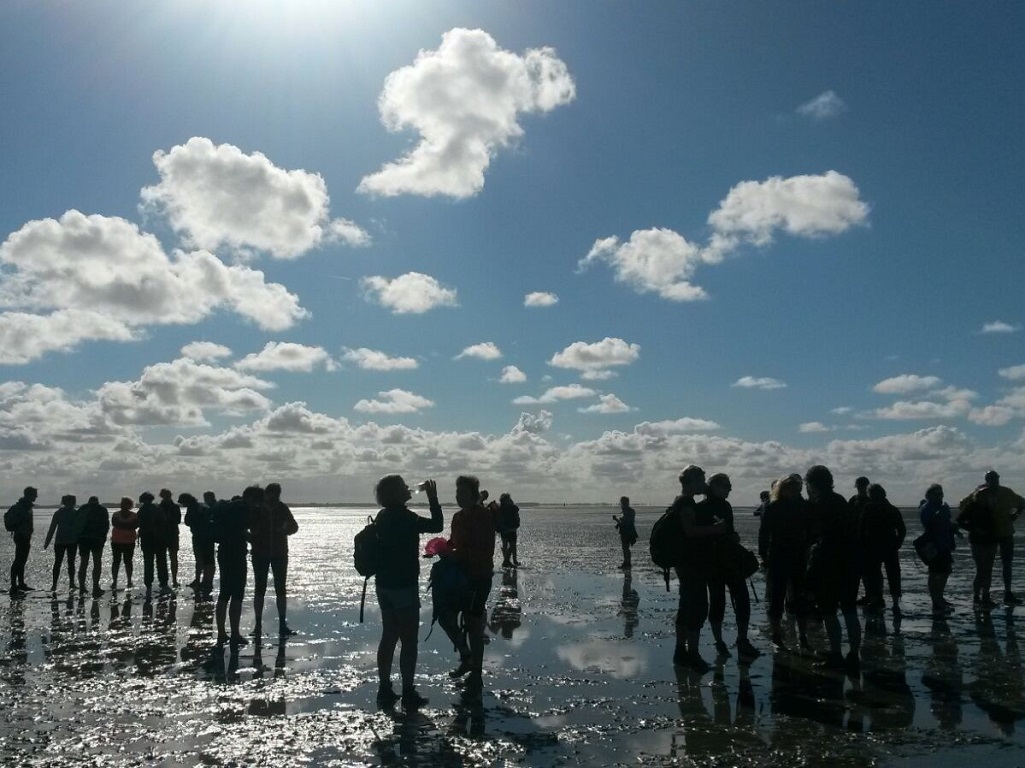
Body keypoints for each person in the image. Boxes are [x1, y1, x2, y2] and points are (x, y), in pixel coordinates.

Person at [372, 475, 443, 709]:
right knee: (409, 640)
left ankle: (384, 688)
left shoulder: (382, 517)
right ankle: (408, 692)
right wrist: (433, 499)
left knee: (389, 635)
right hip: (403, 585)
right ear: (396, 493)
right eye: (403, 486)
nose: (408, 488)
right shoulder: (407, 517)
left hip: (383, 585)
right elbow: (437, 526)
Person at [439, 474, 496, 691]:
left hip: (479, 576)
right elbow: (454, 542)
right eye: (457, 493)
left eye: (463, 493)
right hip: (459, 576)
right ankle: (466, 655)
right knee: (445, 617)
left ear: (473, 495)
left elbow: (483, 549)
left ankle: (476, 672)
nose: (459, 497)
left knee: (473, 624)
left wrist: (456, 554)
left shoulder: (484, 516)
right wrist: (443, 549)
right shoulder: (457, 517)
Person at [804, 465, 862, 671]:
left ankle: (836, 654)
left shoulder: (818, 503)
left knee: (829, 611)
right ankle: (854, 655)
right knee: (849, 610)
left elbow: (813, 534)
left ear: (810, 484)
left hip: (829, 561)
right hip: (852, 560)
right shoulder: (840, 500)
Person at [701, 473, 760, 661]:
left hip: (724, 561)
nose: (730, 489)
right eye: (726, 486)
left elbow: (728, 531)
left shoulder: (723, 506)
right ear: (715, 486)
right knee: (724, 601)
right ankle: (724, 642)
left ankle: (735, 640)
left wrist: (731, 536)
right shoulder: (703, 508)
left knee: (738, 598)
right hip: (715, 562)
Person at [672, 464, 722, 673]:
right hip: (691, 564)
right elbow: (690, 532)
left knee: (686, 607)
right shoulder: (686, 504)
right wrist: (716, 529)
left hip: (684, 563)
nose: (704, 483)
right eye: (701, 480)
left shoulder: (682, 502)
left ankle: (681, 652)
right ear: (691, 482)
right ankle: (692, 654)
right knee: (697, 608)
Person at [758, 474, 811, 652]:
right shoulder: (773, 507)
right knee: (777, 597)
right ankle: (776, 634)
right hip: (778, 556)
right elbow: (764, 533)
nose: (797, 491)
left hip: (797, 556)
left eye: (798, 488)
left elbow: (810, 531)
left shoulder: (802, 506)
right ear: (784, 489)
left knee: (799, 597)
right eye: (793, 488)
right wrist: (763, 555)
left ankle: (803, 635)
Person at [959, 471, 1025, 605]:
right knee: (985, 568)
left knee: (1007, 564)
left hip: (1005, 532)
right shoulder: (980, 493)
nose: (994, 481)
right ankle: (981, 595)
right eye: (990, 479)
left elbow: (1022, 502)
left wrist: (1015, 515)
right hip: (989, 535)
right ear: (987, 480)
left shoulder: (1006, 492)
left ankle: (1007, 592)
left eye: (995, 478)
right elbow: (963, 506)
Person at [250, 482, 300, 638]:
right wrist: (255, 536)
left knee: (281, 589)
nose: (273, 496)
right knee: (260, 588)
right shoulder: (258, 509)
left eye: (276, 494)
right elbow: (249, 525)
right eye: (271, 493)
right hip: (260, 553)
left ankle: (282, 624)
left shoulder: (282, 508)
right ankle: (258, 625)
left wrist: (284, 530)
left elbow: (294, 527)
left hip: (279, 554)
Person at [215, 486, 260, 647]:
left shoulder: (229, 507)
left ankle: (221, 633)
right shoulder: (242, 509)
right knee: (237, 596)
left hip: (223, 552)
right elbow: (242, 530)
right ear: (252, 498)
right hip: (236, 554)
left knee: (223, 594)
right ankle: (235, 633)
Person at [859, 483, 906, 612]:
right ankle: (895, 602)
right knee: (894, 574)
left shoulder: (868, 508)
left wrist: (862, 545)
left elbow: (861, 529)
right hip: (890, 546)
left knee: (873, 574)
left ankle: (875, 600)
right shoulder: (892, 508)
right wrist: (897, 543)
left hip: (872, 547)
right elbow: (902, 529)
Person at [920, 484, 957, 615]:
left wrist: (955, 530)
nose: (939, 496)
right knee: (936, 573)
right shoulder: (927, 508)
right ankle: (936, 601)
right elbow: (930, 524)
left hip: (944, 544)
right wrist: (942, 512)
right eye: (936, 494)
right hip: (934, 546)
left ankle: (939, 597)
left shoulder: (940, 507)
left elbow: (946, 524)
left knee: (945, 572)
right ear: (929, 495)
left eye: (941, 494)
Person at [44, 494, 81, 593]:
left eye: (72, 502)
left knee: (71, 563)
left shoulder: (76, 513)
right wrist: (47, 542)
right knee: (57, 563)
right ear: (64, 503)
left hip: (72, 542)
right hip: (60, 542)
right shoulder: (58, 513)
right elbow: (52, 528)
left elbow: (80, 529)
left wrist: (81, 541)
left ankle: (72, 583)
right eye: (68, 502)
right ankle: (54, 584)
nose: (71, 504)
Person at [137, 491, 171, 598]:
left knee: (148, 562)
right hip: (159, 538)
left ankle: (148, 584)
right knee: (161, 561)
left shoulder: (141, 510)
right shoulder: (157, 509)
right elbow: (164, 521)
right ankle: (164, 583)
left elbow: (138, 523)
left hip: (146, 539)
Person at [181, 492, 214, 597]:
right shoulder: (203, 506)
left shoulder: (193, 508)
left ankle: (200, 580)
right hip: (208, 536)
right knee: (208, 560)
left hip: (199, 536)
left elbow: (188, 521)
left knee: (200, 559)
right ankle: (206, 580)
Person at [76, 495, 110, 597]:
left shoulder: (83, 508)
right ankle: (95, 587)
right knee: (97, 563)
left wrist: (77, 537)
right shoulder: (102, 510)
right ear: (97, 501)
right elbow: (106, 525)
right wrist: (103, 538)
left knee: (84, 563)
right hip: (97, 539)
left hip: (83, 539)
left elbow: (76, 524)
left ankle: (82, 587)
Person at [7, 486, 38, 595]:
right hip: (21, 536)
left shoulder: (26, 506)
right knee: (19, 560)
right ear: (29, 495)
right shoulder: (22, 507)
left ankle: (20, 583)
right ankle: (14, 585)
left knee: (21, 560)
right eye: (34, 495)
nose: (36, 497)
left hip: (24, 536)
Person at [849, 476, 872, 606]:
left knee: (867, 572)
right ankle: (867, 596)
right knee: (859, 572)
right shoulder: (854, 500)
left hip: (866, 543)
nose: (860, 489)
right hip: (857, 541)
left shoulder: (868, 501)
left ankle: (871, 596)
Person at [110, 497, 139, 590]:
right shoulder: (115, 514)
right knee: (116, 561)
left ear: (130, 505)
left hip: (129, 541)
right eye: (122, 503)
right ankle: (114, 581)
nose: (123, 505)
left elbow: (135, 525)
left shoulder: (134, 515)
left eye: (126, 503)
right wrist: (128, 526)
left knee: (128, 562)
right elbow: (115, 524)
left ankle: (129, 581)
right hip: (116, 541)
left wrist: (123, 525)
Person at [158, 489, 182, 588]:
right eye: (164, 495)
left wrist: (167, 521)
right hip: (163, 535)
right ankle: (164, 581)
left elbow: (178, 520)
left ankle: (174, 580)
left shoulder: (175, 507)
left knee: (173, 558)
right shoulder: (159, 507)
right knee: (162, 559)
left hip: (172, 534)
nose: (166, 497)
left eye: (167, 495)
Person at [497, 493, 521, 568]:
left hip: (506, 529)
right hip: (509, 529)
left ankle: (510, 561)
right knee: (511, 545)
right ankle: (507, 561)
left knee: (508, 546)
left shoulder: (502, 508)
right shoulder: (511, 508)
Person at [613, 496, 637, 569]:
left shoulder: (627, 511)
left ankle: (627, 563)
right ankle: (626, 562)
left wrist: (616, 520)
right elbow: (624, 521)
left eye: (622, 502)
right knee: (625, 548)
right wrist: (617, 524)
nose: (621, 504)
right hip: (628, 531)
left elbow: (624, 522)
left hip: (627, 532)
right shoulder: (629, 511)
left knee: (625, 548)